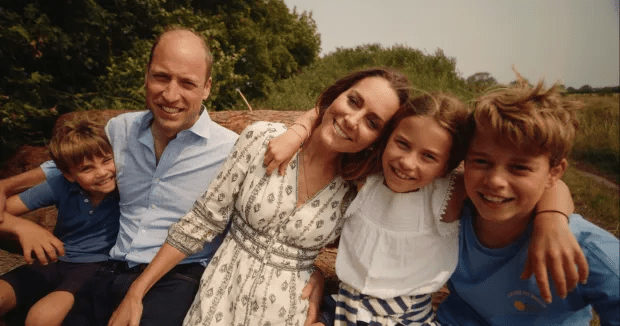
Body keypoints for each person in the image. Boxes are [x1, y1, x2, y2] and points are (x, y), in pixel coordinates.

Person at [108, 67, 412, 326]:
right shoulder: (263, 138)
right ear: (336, 95)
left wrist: (315, 270)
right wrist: (137, 291)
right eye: (353, 101)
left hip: (288, 312)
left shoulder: (355, 189)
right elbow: (201, 221)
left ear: (377, 140)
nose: (352, 120)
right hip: (220, 299)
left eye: (372, 122)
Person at [265, 92, 584, 326]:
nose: (407, 163)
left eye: (429, 157)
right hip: (344, 306)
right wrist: (297, 132)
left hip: (405, 318)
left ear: (449, 163)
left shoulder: (450, 191)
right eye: (402, 144)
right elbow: (327, 114)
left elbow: (552, 183)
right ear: (387, 138)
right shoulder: (366, 176)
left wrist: (552, 220)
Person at [0, 27, 239, 325]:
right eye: (161, 77)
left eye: (187, 83)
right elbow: (69, 167)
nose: (170, 94)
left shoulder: (231, 150)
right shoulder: (119, 129)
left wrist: (301, 128)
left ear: (206, 88)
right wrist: (6, 187)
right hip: (111, 268)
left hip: (178, 275)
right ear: (146, 75)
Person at [435, 82, 619, 325]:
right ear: (464, 162)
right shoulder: (450, 213)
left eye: (519, 167)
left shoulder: (586, 251)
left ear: (555, 172)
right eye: (481, 161)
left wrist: (552, 217)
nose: (495, 181)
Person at [0, 118, 120, 326]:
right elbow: (6, 209)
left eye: (107, 160)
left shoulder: (127, 184)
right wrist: (21, 227)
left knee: (41, 318)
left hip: (97, 266)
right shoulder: (60, 185)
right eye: (86, 168)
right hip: (56, 259)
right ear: (69, 174)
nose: (102, 173)